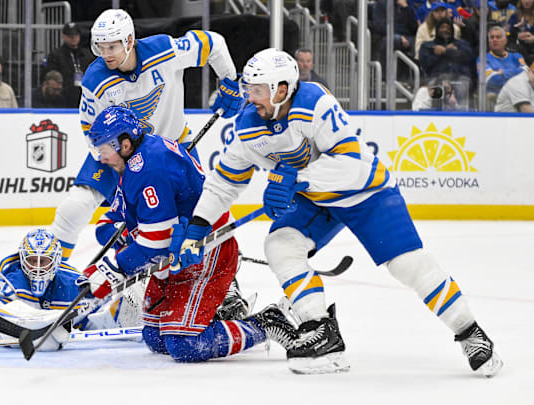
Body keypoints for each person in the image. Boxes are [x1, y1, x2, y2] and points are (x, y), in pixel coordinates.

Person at [173, 48, 503, 376]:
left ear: (281, 89)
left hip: (365, 193)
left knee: (408, 265)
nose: (250, 97)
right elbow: (222, 184)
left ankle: (471, 332)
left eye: (257, 91)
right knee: (280, 245)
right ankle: (321, 331)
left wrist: (296, 178)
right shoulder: (248, 126)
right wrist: (197, 229)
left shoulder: (314, 103)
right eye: (248, 89)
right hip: (316, 200)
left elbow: (352, 166)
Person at [81, 106, 299, 363]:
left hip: (205, 251)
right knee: (156, 337)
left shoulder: (148, 169)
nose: (100, 158)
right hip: (177, 255)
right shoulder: (138, 157)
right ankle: (212, 315)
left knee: (184, 344)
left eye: (103, 150)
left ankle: (268, 322)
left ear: (124, 144)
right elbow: (120, 215)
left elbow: (156, 243)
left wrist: (115, 266)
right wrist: (115, 238)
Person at [49, 8, 242, 263]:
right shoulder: (95, 79)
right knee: (74, 208)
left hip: (173, 146)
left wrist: (229, 81)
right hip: (121, 153)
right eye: (101, 47)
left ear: (129, 41)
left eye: (112, 47)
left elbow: (213, 43)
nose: (106, 54)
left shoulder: (164, 50)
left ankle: (227, 284)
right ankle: (48, 271)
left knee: (203, 215)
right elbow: (90, 130)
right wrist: (122, 174)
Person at [0, 228, 141, 348]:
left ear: (55, 262)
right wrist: (33, 326)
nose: (36, 268)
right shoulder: (10, 275)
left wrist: (119, 318)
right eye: (31, 261)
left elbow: (87, 321)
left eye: (43, 262)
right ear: (22, 258)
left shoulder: (71, 284)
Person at [44, 22, 95, 107]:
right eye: (70, 35)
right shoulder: (56, 55)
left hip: (85, 95)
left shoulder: (87, 55)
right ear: (63, 36)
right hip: (63, 97)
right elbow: (52, 76)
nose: (73, 38)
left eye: (76, 35)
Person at [478, 25, 527, 107]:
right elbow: (491, 79)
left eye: (498, 37)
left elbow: (526, 73)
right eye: (492, 37)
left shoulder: (517, 56)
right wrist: (516, 72)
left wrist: (503, 72)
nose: (494, 40)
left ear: (505, 41)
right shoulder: (482, 59)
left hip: (518, 95)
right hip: (495, 98)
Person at [509, 0, 534, 66]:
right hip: (520, 48)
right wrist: (518, 35)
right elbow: (508, 34)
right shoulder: (515, 16)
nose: (526, 1)